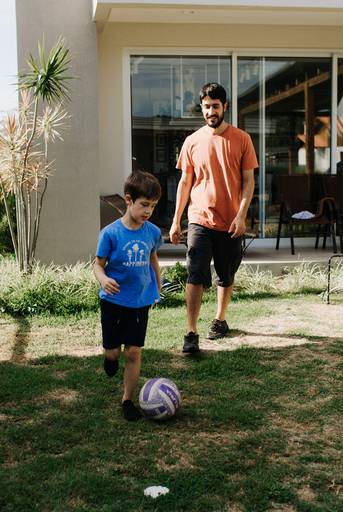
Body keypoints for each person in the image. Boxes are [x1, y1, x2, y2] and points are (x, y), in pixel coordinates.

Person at [169, 82, 258, 353]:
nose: (211, 111)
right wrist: (176, 220)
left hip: (231, 221)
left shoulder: (242, 139)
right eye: (206, 107)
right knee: (195, 273)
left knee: (225, 275)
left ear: (225, 107)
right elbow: (185, 182)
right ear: (202, 108)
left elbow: (249, 182)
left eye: (215, 106)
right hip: (200, 218)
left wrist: (241, 215)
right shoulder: (192, 141)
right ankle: (191, 331)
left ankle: (220, 320)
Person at [93, 171, 163, 421]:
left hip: (139, 301)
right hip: (112, 301)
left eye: (153, 206)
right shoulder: (110, 233)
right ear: (128, 200)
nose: (148, 211)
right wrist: (104, 279)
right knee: (114, 353)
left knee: (133, 352)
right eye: (144, 204)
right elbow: (97, 265)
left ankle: (127, 400)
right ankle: (110, 358)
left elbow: (153, 258)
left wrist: (158, 285)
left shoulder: (152, 232)